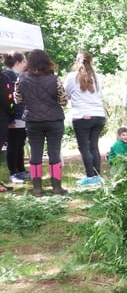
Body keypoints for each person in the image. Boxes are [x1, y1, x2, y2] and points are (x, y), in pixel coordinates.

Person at [14, 50, 68, 196]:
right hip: (54, 120)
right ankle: (57, 187)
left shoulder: (21, 78)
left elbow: (17, 99)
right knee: (54, 153)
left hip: (33, 121)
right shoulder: (54, 79)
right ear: (46, 61)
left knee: (35, 153)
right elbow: (63, 100)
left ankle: (37, 188)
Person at [64, 51, 106, 186]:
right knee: (94, 146)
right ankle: (97, 175)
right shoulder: (98, 77)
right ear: (91, 61)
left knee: (84, 147)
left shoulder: (72, 77)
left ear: (77, 62)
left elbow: (65, 94)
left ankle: (90, 176)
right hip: (99, 114)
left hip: (82, 115)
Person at [2, 53, 29, 188]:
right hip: (13, 117)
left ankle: (21, 170)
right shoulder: (6, 76)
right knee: (13, 145)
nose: (26, 63)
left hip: (23, 115)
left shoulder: (19, 76)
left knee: (20, 144)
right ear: (17, 62)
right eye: (24, 60)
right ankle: (13, 173)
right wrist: (11, 118)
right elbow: (9, 99)